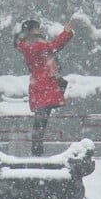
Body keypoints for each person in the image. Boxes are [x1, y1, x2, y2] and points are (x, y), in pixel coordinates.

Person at [14, 20, 74, 156]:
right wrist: (66, 33)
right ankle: (36, 148)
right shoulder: (33, 45)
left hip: (42, 84)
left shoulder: (30, 44)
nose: (39, 31)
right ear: (30, 31)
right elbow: (53, 47)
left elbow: (50, 48)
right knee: (41, 119)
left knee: (41, 119)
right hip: (43, 85)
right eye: (36, 28)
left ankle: (37, 148)